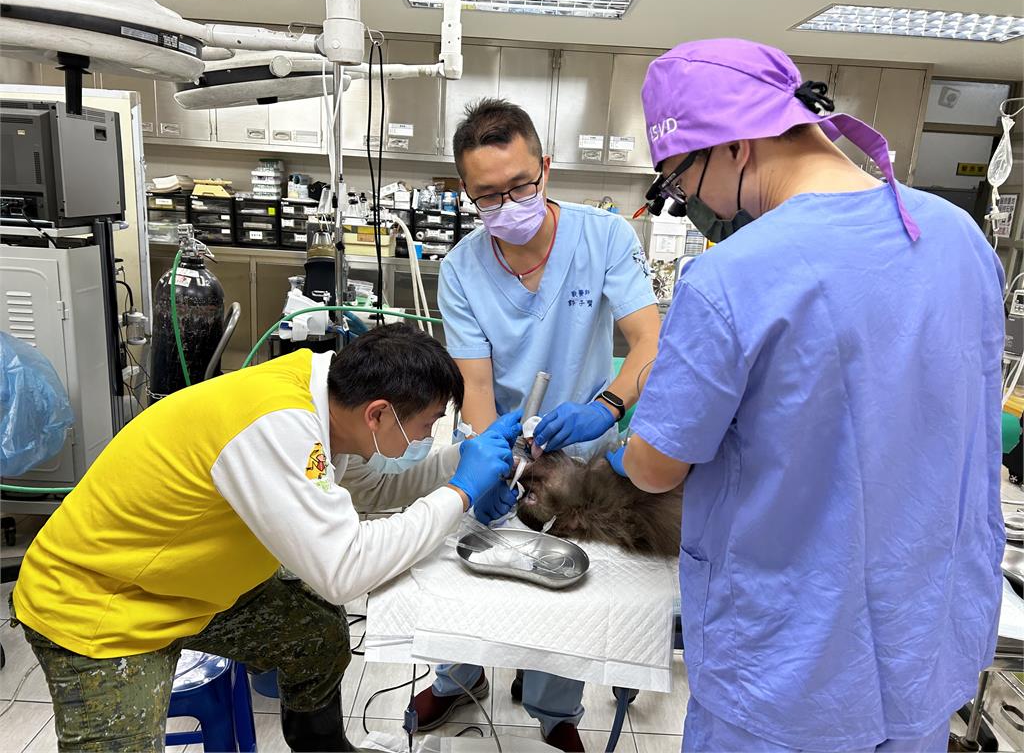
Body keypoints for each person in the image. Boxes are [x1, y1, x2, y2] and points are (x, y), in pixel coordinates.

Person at [608, 38, 1005, 751]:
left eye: (679, 177)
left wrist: (637, 430)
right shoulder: (957, 236)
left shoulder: (734, 276)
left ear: (734, 144)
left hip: (790, 667)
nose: (689, 200)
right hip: (924, 644)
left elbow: (653, 468)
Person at [10, 323, 521, 752]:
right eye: (430, 424)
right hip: (103, 605)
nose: (431, 436)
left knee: (315, 633)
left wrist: (464, 462)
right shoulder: (278, 425)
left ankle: (318, 744)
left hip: (188, 590)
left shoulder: (325, 396)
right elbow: (344, 570)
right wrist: (460, 491)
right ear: (379, 413)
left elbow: (376, 489)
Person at [410, 98, 660, 752]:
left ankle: (555, 713)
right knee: (476, 562)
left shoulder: (603, 238)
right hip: (502, 435)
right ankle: (459, 678)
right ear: (467, 194)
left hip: (584, 444)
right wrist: (495, 459)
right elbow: (478, 384)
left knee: (566, 583)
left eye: (521, 185)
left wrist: (605, 406)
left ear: (545, 168)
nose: (509, 203)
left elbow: (648, 342)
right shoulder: (464, 268)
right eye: (489, 195)